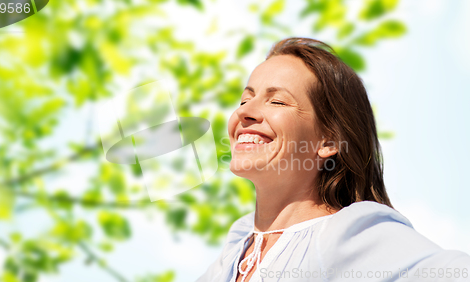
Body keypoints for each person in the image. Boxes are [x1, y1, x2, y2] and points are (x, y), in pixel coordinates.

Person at [196, 37, 470, 282]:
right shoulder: (239, 244)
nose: (245, 112)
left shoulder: (346, 233)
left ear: (328, 141)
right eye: (245, 100)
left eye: (277, 102)